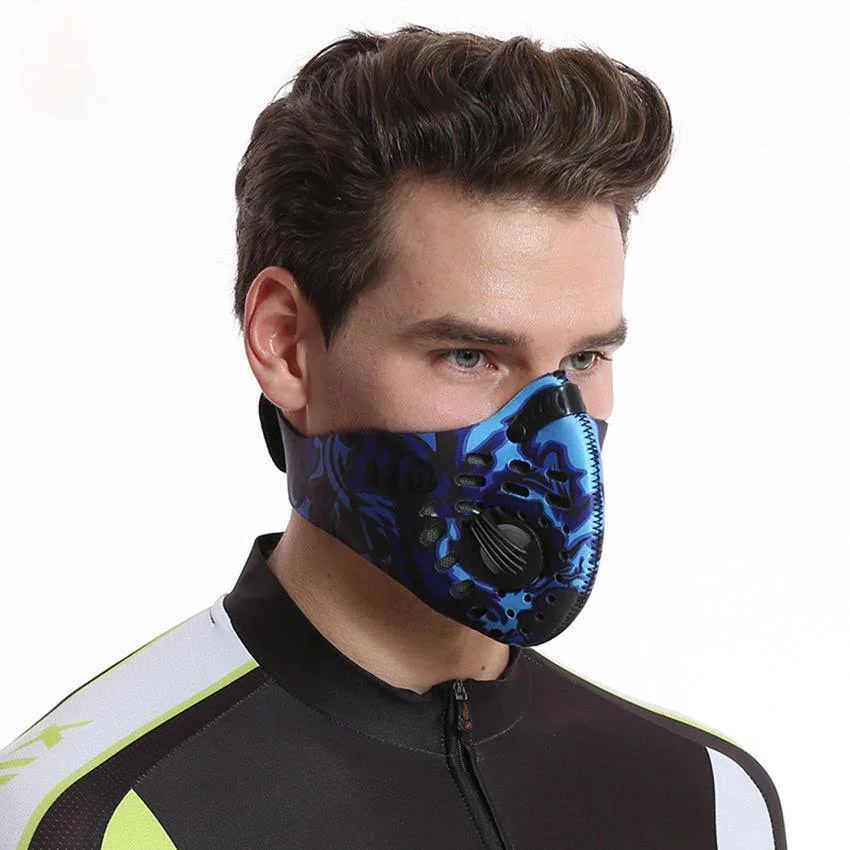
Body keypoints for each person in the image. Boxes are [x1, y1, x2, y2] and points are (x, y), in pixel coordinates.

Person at [0, 24, 786, 849]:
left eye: (583, 360)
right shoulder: (92, 820)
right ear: (286, 345)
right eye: (470, 355)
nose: (556, 436)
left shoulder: (710, 800)